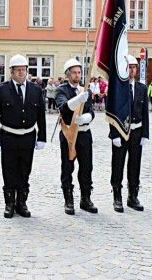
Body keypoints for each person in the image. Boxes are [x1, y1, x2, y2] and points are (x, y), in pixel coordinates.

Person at [0, 54, 46, 219]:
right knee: (9, 170)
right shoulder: (2, 89)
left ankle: (22, 202)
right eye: (18, 70)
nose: (21, 73)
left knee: (25, 170)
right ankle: (9, 203)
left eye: (24, 69)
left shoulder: (36, 90)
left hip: (28, 136)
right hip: (9, 136)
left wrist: (42, 137)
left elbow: (41, 115)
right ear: (11, 72)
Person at [55, 58, 97, 215]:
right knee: (67, 167)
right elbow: (64, 108)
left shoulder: (85, 89)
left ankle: (86, 198)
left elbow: (91, 110)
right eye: (74, 72)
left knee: (87, 167)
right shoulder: (61, 90)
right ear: (67, 74)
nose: (77, 75)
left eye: (79, 72)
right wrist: (78, 100)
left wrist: (87, 118)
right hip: (69, 134)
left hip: (84, 133)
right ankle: (68, 200)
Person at [109, 55, 149, 212]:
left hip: (136, 132)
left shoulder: (142, 88)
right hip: (121, 131)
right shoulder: (117, 88)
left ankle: (133, 195)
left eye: (134, 67)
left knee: (135, 164)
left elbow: (144, 112)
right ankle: (117, 195)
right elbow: (112, 112)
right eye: (129, 67)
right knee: (118, 164)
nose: (132, 70)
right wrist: (114, 134)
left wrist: (145, 134)